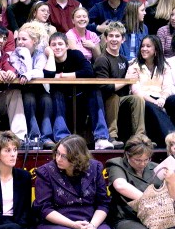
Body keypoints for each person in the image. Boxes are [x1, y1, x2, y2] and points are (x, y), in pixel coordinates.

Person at [33, 135, 122, 229]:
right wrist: (74, 225)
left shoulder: (95, 167)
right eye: (57, 153)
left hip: (91, 219)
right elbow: (44, 209)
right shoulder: (46, 172)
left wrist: (93, 224)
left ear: (77, 159)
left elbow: (103, 203)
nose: (58, 159)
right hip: (57, 221)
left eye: (64, 156)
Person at [48, 32, 113, 149]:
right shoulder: (48, 59)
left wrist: (63, 76)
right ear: (49, 47)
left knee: (95, 91)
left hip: (80, 96)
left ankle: (101, 138)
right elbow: (47, 75)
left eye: (60, 44)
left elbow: (89, 72)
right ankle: (62, 139)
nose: (57, 47)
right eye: (53, 45)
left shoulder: (75, 54)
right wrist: (51, 56)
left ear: (67, 46)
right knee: (56, 93)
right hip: (60, 99)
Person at [93, 21, 145, 149]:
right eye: (111, 36)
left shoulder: (123, 59)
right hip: (105, 99)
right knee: (113, 97)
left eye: (117, 36)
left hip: (121, 98)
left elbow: (128, 85)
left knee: (137, 99)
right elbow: (105, 88)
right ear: (105, 39)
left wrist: (134, 77)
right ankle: (112, 136)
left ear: (123, 39)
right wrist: (126, 80)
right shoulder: (102, 59)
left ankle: (140, 137)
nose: (114, 39)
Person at [10, 21, 55, 148]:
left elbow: (40, 72)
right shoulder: (15, 54)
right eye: (18, 39)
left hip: (38, 87)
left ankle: (46, 137)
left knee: (46, 100)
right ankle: (34, 136)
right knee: (29, 99)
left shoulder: (40, 54)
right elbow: (21, 71)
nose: (20, 42)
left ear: (34, 41)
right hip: (22, 88)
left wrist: (29, 75)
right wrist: (25, 55)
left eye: (24, 39)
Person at [127, 35, 175, 148]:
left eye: (148, 46)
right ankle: (171, 138)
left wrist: (163, 98)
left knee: (173, 100)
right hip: (143, 100)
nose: (144, 49)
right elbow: (136, 91)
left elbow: (168, 86)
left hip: (161, 98)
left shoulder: (164, 66)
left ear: (156, 50)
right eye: (142, 46)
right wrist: (155, 102)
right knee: (149, 105)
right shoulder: (134, 66)